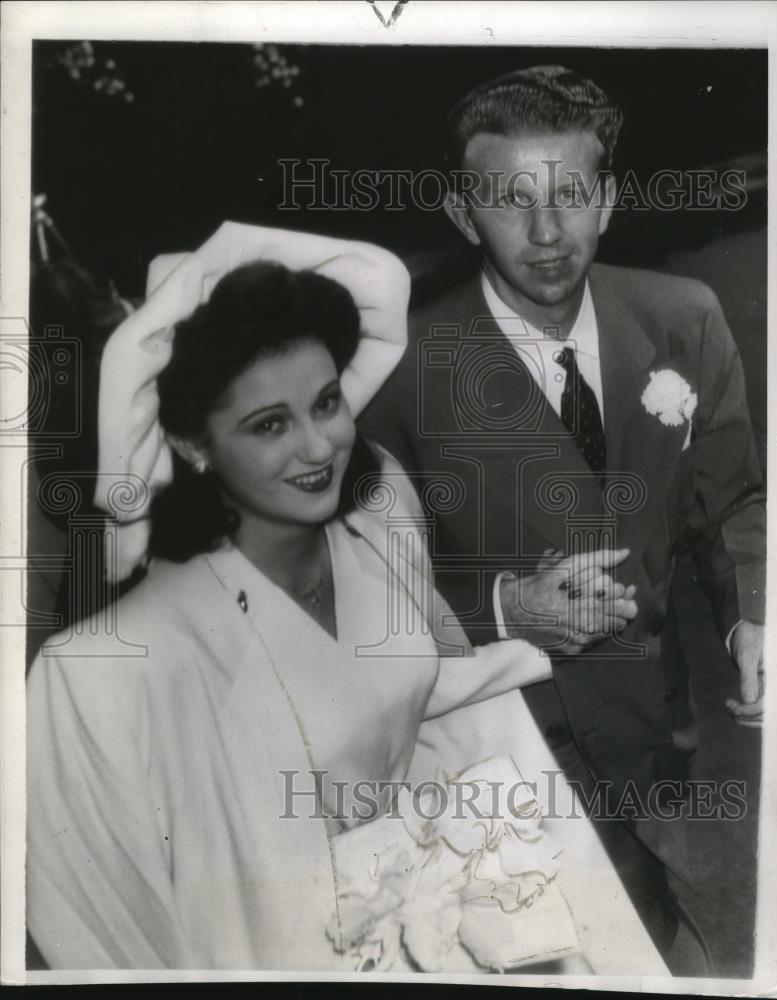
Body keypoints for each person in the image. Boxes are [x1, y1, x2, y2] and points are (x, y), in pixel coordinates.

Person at [26, 224, 662, 973]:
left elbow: (422, 685)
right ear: (194, 445)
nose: (319, 444)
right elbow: (104, 931)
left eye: (326, 402)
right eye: (269, 425)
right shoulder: (105, 667)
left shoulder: (375, 522)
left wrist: (529, 628)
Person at [360, 66, 766, 972]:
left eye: (571, 193)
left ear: (609, 200)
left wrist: (754, 614)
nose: (548, 232)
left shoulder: (681, 320)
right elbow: (354, 603)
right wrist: (505, 611)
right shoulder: (398, 378)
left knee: (665, 942)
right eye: (510, 201)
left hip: (656, 741)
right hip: (500, 757)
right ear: (465, 218)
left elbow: (737, 499)